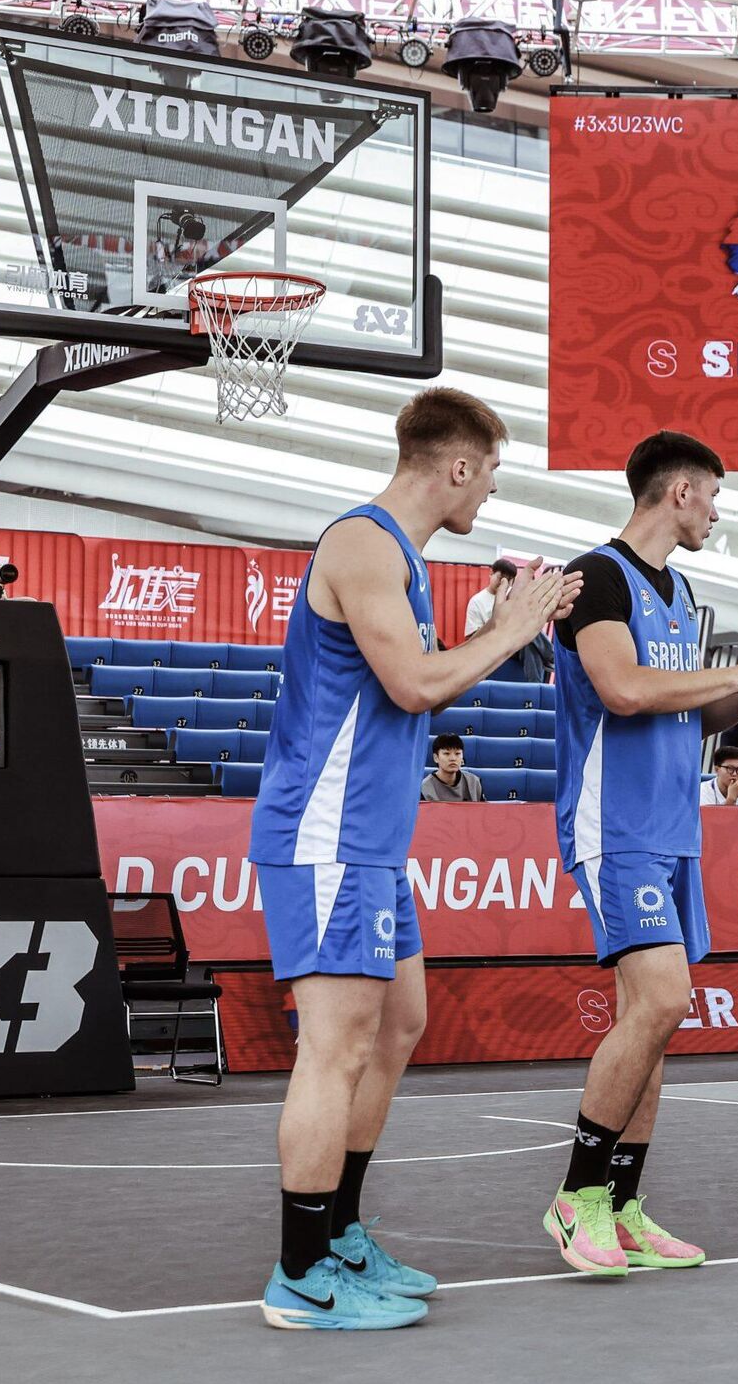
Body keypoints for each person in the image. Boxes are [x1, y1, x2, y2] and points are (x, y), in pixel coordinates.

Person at [249, 388, 581, 1329]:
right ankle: (301, 1274)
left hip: (371, 843)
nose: (492, 492)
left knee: (399, 1025)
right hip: (328, 837)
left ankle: (341, 1235)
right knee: (336, 1048)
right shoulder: (363, 544)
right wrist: (510, 630)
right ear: (458, 466)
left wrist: (495, 631)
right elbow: (411, 683)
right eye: (492, 473)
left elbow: (416, 687)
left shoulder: (406, 562)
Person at [548, 430, 738, 1278]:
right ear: (681, 492)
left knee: (652, 1023)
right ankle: (576, 1198)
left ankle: (622, 1208)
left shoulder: (679, 589)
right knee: (663, 1000)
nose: (716, 513)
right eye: (714, 496)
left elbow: (682, 713)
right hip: (615, 824)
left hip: (671, 828)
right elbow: (624, 691)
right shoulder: (597, 578)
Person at [420, 733, 485, 802]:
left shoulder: (474, 782)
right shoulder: (425, 788)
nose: (453, 758)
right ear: (436, 757)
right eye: (447, 753)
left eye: (457, 754)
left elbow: (483, 808)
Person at [465, 557, 517, 639]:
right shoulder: (476, 601)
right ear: (491, 573)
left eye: (509, 580)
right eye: (501, 578)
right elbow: (471, 636)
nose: (504, 583)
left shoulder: (513, 597)